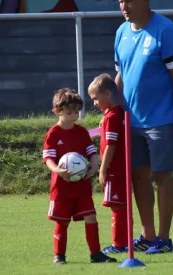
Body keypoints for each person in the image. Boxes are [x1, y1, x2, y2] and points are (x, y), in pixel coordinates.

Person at [114, 0, 173, 254]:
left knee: (162, 177)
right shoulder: (121, 32)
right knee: (138, 177)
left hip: (162, 120)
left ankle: (164, 238)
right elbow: (121, 75)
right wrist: (114, 113)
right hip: (130, 121)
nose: (124, 6)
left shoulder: (166, 31)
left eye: (129, 0)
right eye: (121, 1)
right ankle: (146, 235)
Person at [42, 88, 117, 264]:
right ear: (57, 112)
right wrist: (57, 170)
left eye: (76, 112)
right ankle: (59, 255)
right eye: (69, 112)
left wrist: (94, 166)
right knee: (62, 222)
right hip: (61, 188)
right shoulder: (52, 134)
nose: (74, 116)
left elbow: (91, 152)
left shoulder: (82, 132)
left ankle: (96, 254)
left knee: (91, 217)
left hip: (82, 186)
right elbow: (48, 158)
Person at [88, 73, 128, 254]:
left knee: (117, 207)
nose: (94, 103)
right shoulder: (116, 113)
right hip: (121, 168)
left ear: (108, 94)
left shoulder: (112, 117)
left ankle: (119, 244)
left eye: (96, 98)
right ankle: (124, 242)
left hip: (114, 169)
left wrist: (102, 170)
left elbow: (111, 145)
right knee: (121, 206)